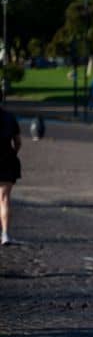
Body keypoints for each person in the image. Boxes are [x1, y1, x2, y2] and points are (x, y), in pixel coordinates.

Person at [0, 105, 22, 245]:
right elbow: (18, 142)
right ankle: (5, 234)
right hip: (6, 160)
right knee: (4, 198)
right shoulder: (9, 117)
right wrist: (13, 153)